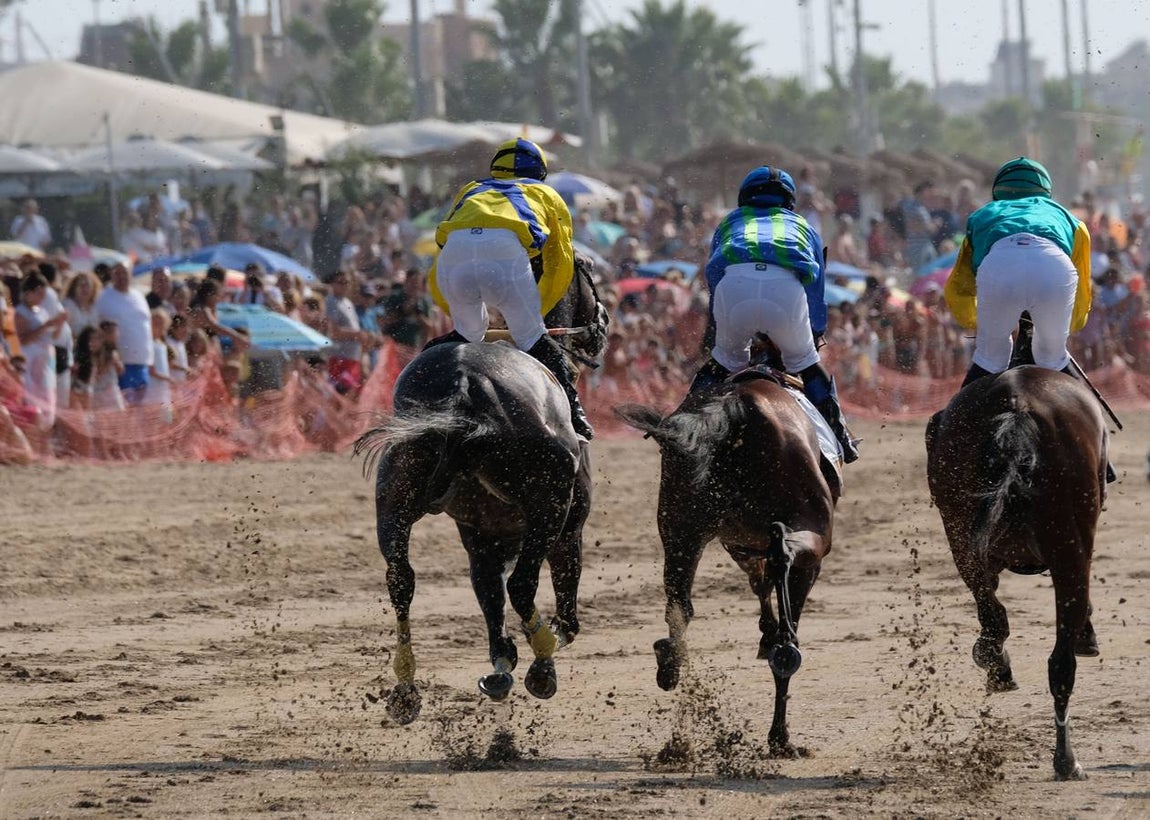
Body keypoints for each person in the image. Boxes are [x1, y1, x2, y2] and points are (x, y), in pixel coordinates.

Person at [944, 157, 1113, 482]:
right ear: (1045, 193)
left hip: (999, 267)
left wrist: (977, 322)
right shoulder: (1071, 220)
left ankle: (952, 437)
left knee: (992, 357)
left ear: (999, 193)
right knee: (1052, 356)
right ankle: (1101, 461)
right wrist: (1064, 328)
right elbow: (1082, 291)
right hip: (1054, 268)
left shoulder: (981, 216)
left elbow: (960, 285)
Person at [687, 165, 859, 463]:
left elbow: (714, 277)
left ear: (745, 198)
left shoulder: (730, 222)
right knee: (807, 364)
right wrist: (814, 335)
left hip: (734, 287)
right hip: (785, 293)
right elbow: (815, 292)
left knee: (722, 364)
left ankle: (683, 427)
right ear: (789, 202)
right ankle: (841, 436)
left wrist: (722, 334)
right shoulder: (805, 226)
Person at [425, 137, 593, 439]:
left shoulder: (471, 189)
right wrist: (534, 316)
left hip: (454, 257)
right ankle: (575, 415)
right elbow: (560, 263)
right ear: (540, 173)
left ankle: (418, 398)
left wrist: (451, 308)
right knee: (533, 339)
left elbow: (440, 255)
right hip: (504, 255)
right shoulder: (547, 194)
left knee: (463, 337)